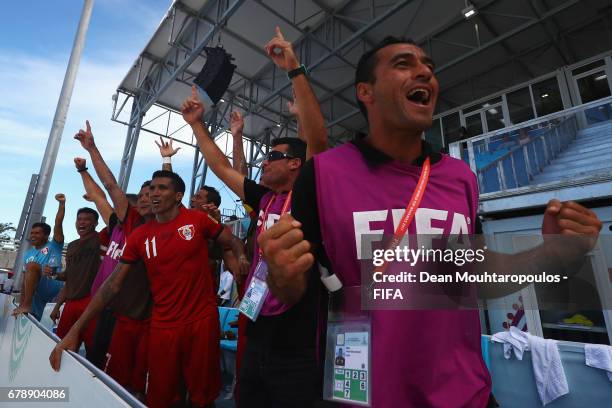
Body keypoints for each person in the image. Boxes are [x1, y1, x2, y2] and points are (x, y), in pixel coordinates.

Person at [257, 36, 602, 407]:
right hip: (360, 393)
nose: (425, 72)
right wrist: (280, 273)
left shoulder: (461, 178)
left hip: (463, 393)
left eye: (429, 67)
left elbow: (473, 276)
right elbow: (296, 289)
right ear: (365, 92)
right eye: (404, 64)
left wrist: (551, 254)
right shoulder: (323, 173)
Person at [180, 28, 329, 407]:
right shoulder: (264, 198)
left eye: (272, 157)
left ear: (296, 164)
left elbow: (316, 139)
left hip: (298, 328)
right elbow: (217, 165)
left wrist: (294, 68)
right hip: (256, 318)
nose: (263, 162)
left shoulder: (310, 192)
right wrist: (197, 124)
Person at [50, 170, 250, 408]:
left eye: (162, 188)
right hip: (162, 326)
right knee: (160, 396)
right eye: (152, 188)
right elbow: (112, 285)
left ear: (178, 196)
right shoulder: (139, 236)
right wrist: (75, 330)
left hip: (201, 322)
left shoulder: (196, 220)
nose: (155, 193)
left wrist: (240, 259)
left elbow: (232, 241)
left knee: (202, 396)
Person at [73, 121, 156, 398]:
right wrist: (88, 158)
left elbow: (109, 187)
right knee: (97, 368)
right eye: (141, 195)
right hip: (105, 309)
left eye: (150, 195)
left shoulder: (151, 229)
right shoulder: (125, 222)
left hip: (132, 317)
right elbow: (105, 189)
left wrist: (91, 150)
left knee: (124, 384)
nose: (145, 199)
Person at [50, 206, 101, 354]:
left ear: (96, 223)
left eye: (87, 219)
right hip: (71, 304)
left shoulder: (101, 240)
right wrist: (57, 305)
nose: (82, 222)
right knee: (61, 348)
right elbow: (68, 277)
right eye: (79, 219)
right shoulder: (71, 246)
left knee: (93, 351)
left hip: (92, 302)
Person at [12, 194, 65, 319]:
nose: (33, 236)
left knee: (33, 266)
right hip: (36, 295)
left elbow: (58, 223)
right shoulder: (28, 254)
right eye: (31, 233)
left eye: (37, 233)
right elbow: (25, 280)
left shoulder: (55, 245)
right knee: (27, 272)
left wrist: (61, 204)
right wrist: (22, 303)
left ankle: (27, 305)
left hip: (52, 286)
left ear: (47, 236)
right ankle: (26, 306)